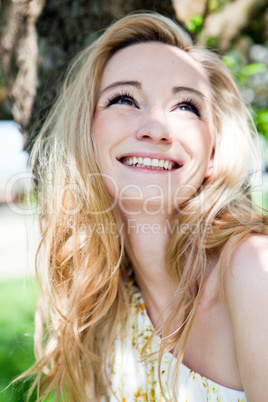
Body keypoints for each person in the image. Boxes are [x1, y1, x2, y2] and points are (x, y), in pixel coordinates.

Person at [24, 12, 268, 401]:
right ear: (84, 136)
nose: (156, 127)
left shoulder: (254, 270)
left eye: (186, 106)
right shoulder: (104, 305)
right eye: (123, 99)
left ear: (213, 154)